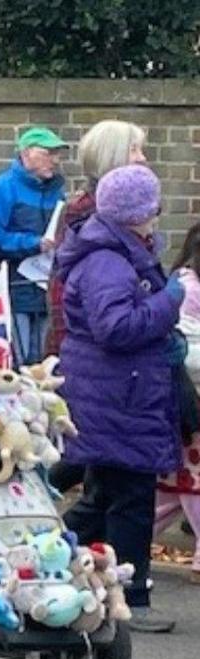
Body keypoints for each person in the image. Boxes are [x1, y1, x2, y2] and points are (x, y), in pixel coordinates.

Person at [55, 164, 181, 634]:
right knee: (129, 495)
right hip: (117, 392)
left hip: (117, 390)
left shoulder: (113, 249)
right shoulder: (107, 260)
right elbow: (116, 328)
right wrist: (169, 301)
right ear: (135, 213)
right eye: (152, 207)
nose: (157, 215)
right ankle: (132, 597)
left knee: (105, 494)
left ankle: (46, 555)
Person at [45, 120, 148, 357]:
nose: (142, 158)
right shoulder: (86, 211)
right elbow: (65, 287)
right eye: (134, 150)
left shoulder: (123, 208)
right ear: (111, 156)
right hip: (96, 349)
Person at [0, 127, 67, 365]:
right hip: (12, 291)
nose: (55, 160)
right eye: (48, 153)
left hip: (46, 289)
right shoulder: (1, 188)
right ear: (26, 154)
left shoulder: (58, 192)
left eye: (57, 154)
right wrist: (33, 243)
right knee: (16, 359)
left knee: (43, 362)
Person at [160, 221, 200, 585]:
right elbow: (187, 350)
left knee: (176, 488)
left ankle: (124, 539)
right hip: (189, 399)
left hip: (188, 397)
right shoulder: (187, 288)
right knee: (191, 485)